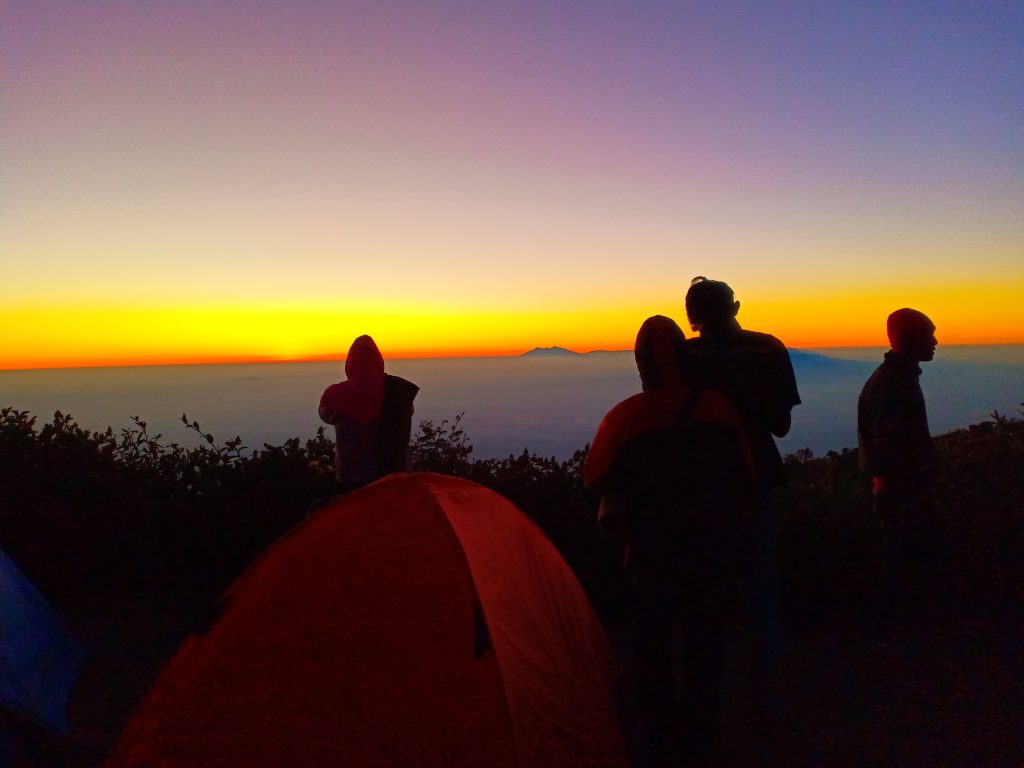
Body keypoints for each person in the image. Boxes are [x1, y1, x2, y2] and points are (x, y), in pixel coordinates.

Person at [585, 315, 752, 768]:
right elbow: (745, 474)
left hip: (651, 552)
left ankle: (658, 739)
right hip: (710, 550)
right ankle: (700, 740)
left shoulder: (627, 417)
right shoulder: (718, 408)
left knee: (651, 644)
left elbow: (594, 476)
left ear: (641, 363)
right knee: (705, 645)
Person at [683, 276, 801, 725]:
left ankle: (703, 699)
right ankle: (766, 698)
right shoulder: (769, 349)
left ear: (691, 318)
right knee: (759, 589)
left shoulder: (683, 357)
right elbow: (780, 427)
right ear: (736, 306)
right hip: (755, 479)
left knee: (702, 591)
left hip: (697, 488)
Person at [857, 308, 938, 630]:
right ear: (908, 337)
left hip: (899, 490)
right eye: (928, 333)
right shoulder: (893, 384)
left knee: (903, 559)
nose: (935, 341)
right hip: (900, 493)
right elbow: (889, 447)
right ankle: (896, 630)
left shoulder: (895, 378)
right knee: (903, 561)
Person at [318, 335, 419, 494]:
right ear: (379, 360)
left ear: (349, 363)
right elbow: (408, 412)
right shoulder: (399, 389)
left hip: (354, 477)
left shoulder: (336, 394)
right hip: (396, 475)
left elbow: (324, 414)